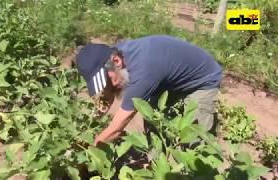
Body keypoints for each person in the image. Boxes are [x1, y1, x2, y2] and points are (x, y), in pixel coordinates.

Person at [76, 35, 222, 146]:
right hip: (169, 74)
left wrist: (92, 151)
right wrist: (91, 122)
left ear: (116, 62)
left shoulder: (143, 71)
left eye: (107, 82)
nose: (108, 87)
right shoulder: (117, 55)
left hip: (202, 79)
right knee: (152, 116)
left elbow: (117, 128)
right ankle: (158, 158)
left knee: (196, 137)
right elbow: (108, 95)